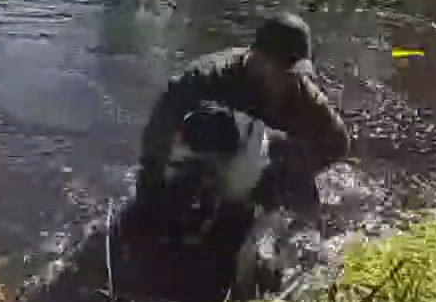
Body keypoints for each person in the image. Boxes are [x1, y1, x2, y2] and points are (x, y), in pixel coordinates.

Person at [135, 13, 351, 216]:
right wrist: (151, 176)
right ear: (257, 56)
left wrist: (290, 166)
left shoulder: (303, 95)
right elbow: (164, 116)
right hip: (211, 156)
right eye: (280, 68)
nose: (288, 79)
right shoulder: (211, 75)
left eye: (294, 72)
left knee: (300, 193)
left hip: (263, 165)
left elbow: (338, 144)